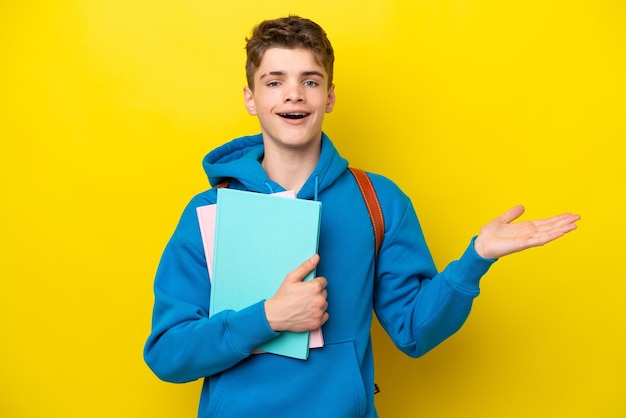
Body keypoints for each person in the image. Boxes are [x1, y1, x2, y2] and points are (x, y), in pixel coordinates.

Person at [144, 15, 580, 418]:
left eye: (310, 81)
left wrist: (476, 258)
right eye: (274, 82)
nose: (294, 93)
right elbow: (168, 353)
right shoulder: (210, 212)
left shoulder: (379, 201)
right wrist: (269, 318)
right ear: (251, 98)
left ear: (329, 96)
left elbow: (413, 331)